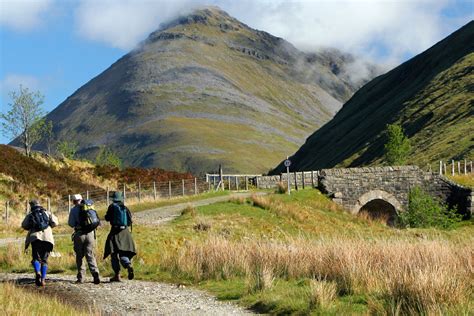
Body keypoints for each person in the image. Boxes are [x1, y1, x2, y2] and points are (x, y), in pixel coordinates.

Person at [21, 200, 58, 287]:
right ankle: (43, 279)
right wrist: (49, 226)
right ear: (39, 204)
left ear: (31, 206)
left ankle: (38, 272)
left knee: (36, 258)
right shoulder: (47, 212)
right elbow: (55, 223)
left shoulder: (30, 215)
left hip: (35, 238)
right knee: (44, 260)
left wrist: (32, 227)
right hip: (47, 238)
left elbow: (24, 225)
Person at [68, 194, 101, 284]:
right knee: (90, 254)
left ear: (74, 201)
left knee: (80, 256)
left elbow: (71, 223)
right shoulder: (89, 207)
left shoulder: (73, 210)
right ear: (81, 199)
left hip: (79, 234)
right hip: (90, 233)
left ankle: (81, 277)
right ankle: (95, 273)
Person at [104, 191, 136, 282]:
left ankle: (117, 275)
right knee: (123, 253)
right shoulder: (125, 207)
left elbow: (107, 218)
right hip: (125, 233)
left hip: (114, 232)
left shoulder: (112, 207)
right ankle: (128, 265)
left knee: (113, 253)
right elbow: (129, 222)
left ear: (113, 198)